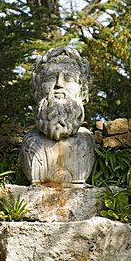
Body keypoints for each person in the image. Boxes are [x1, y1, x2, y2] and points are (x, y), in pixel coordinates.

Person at [20, 46, 95, 185]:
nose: (59, 85)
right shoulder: (31, 143)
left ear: (83, 90)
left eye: (69, 78)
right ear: (38, 88)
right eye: (51, 78)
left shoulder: (85, 142)